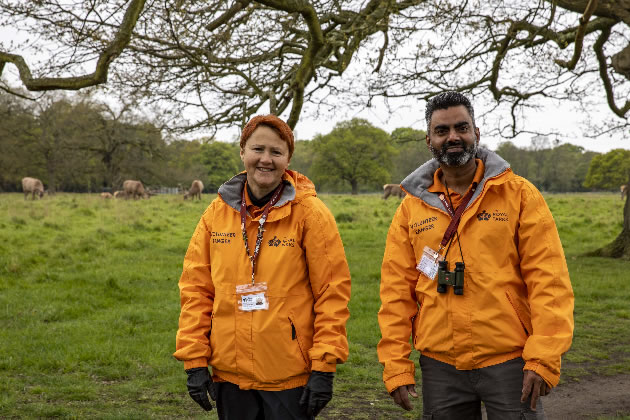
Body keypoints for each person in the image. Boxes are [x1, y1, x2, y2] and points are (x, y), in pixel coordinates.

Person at [377, 91, 574, 419]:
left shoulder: (519, 195)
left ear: (476, 133)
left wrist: (543, 357)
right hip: (440, 366)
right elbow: (396, 291)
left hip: (510, 361)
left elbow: (549, 282)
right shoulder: (411, 208)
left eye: (461, 127)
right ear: (429, 140)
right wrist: (396, 364)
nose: (453, 136)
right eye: (442, 131)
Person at [174, 114, 351, 419]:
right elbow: (196, 290)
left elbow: (332, 293)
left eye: (276, 152)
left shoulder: (311, 214)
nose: (265, 160)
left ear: (288, 159)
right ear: (242, 152)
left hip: (289, 376)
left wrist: (324, 366)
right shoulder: (215, 214)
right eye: (258, 149)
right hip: (230, 376)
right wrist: (194, 360)